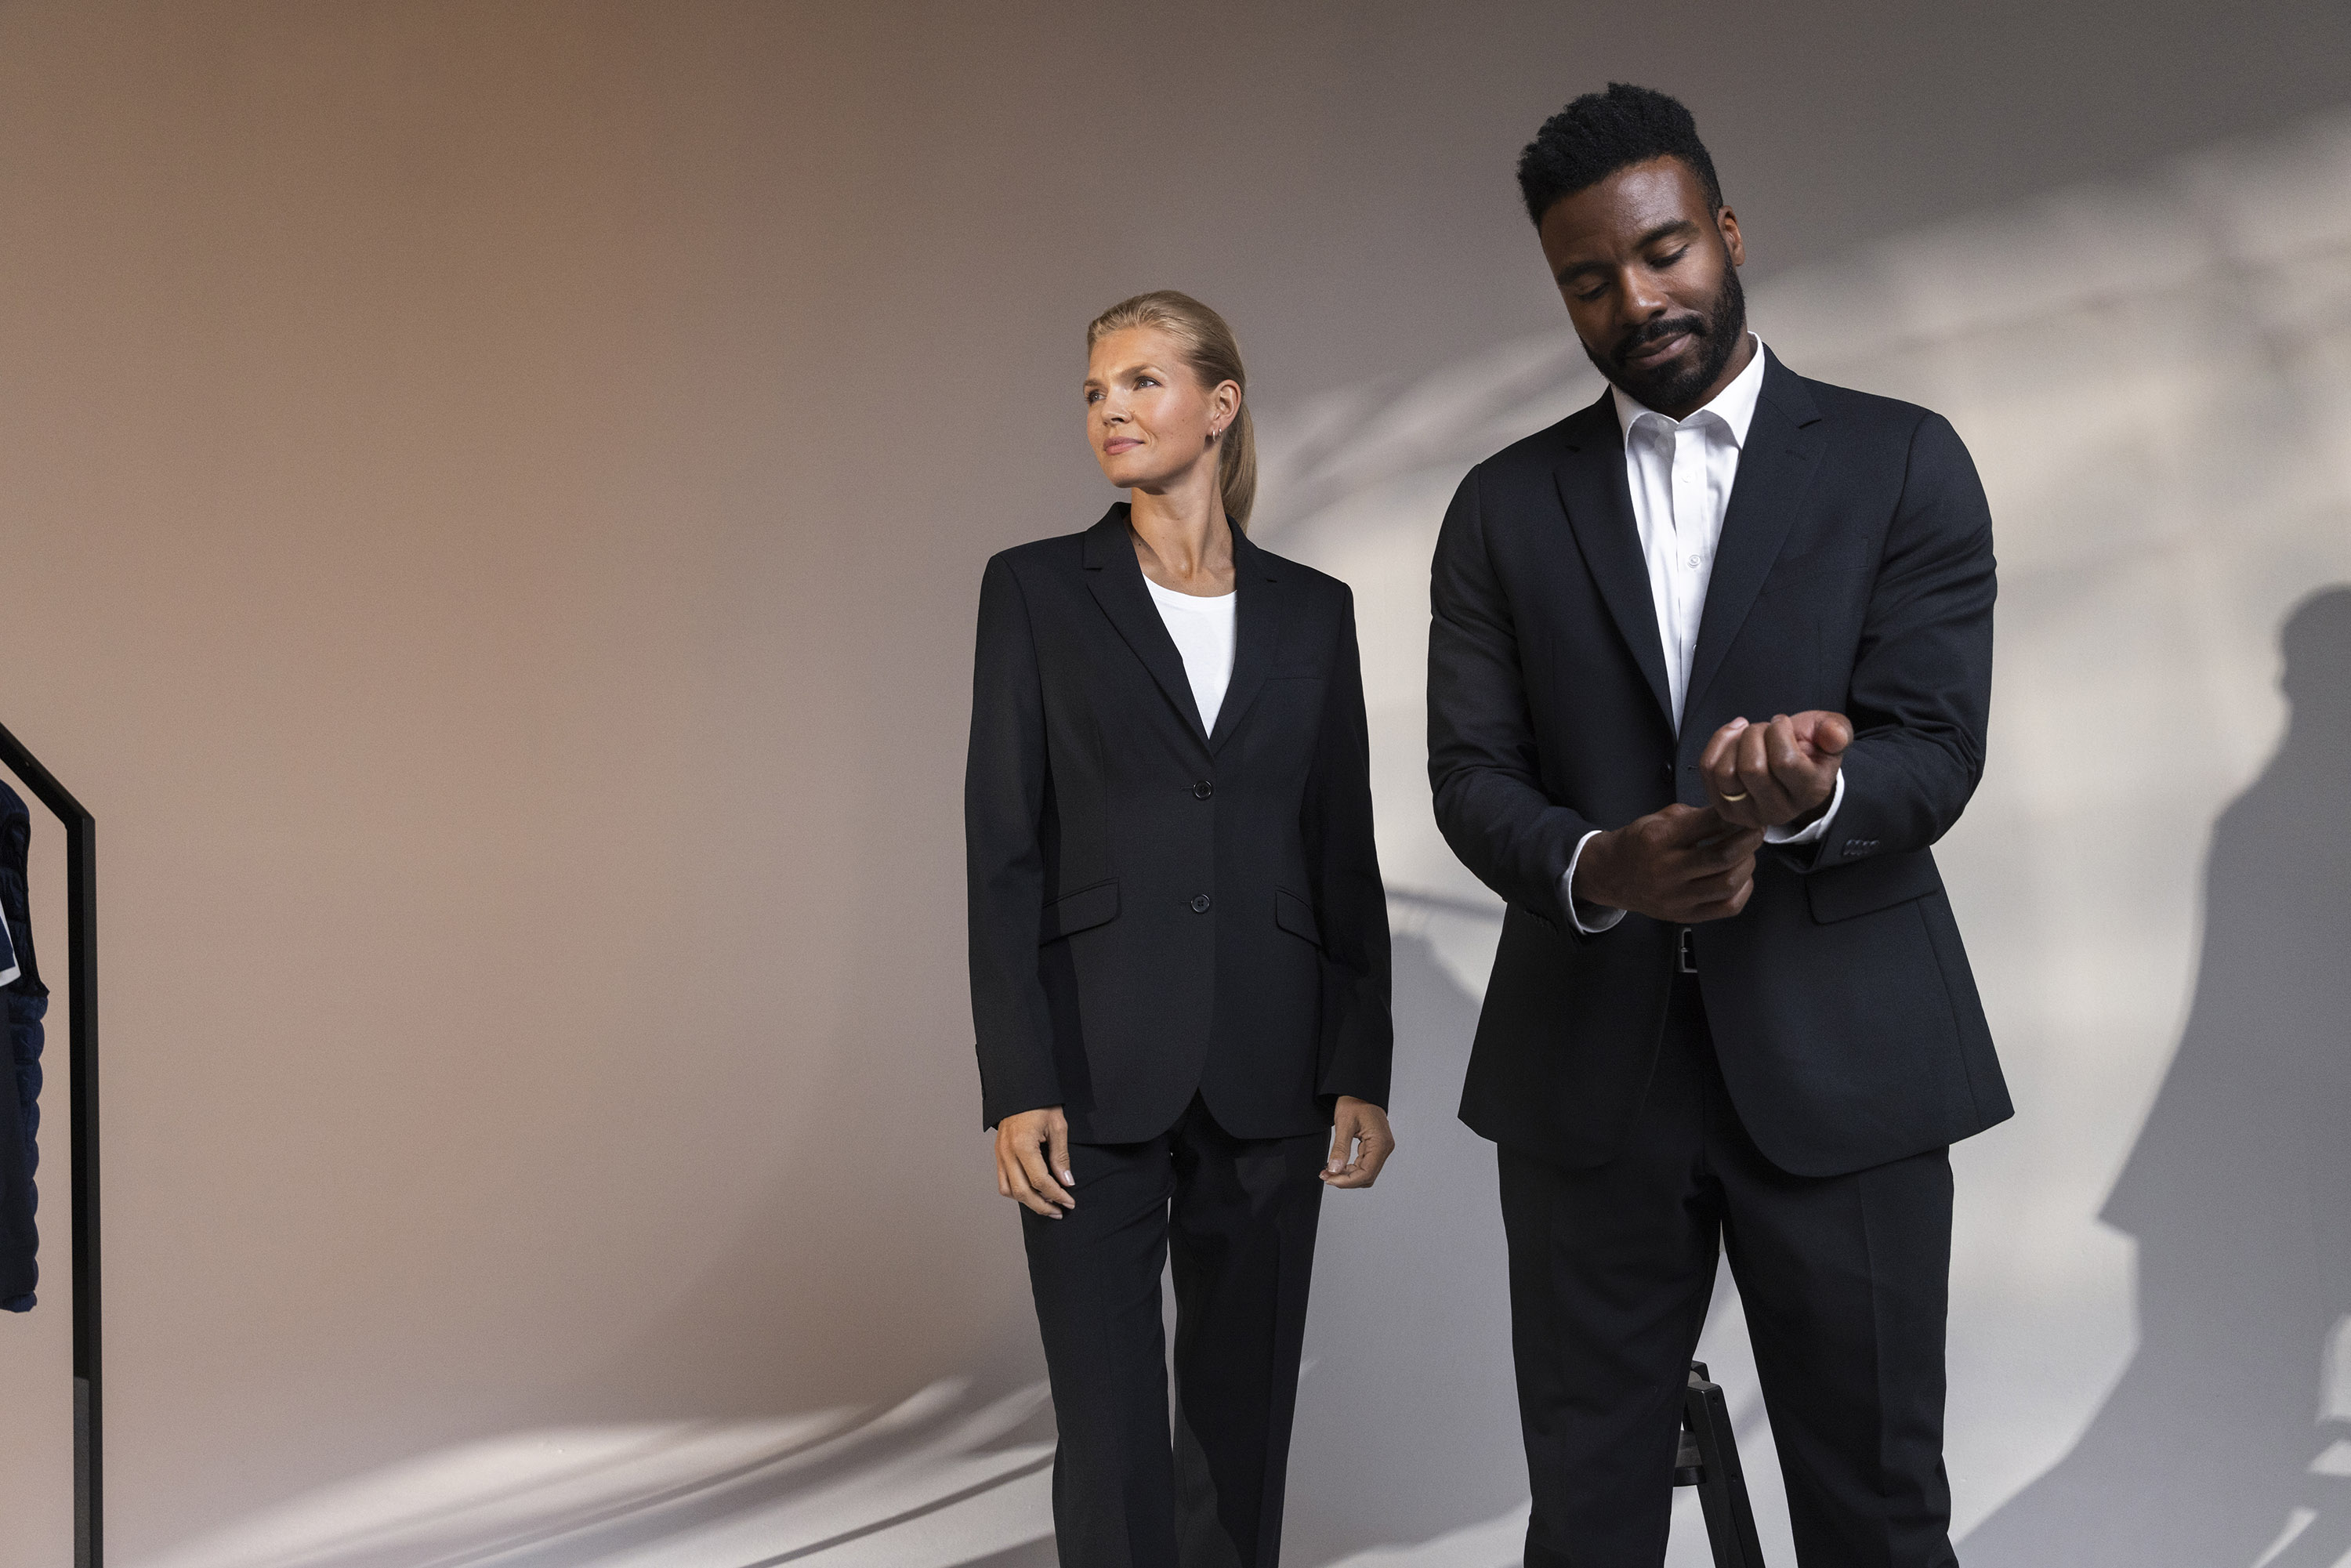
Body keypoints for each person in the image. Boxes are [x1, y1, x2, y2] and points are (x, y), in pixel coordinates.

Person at [1425, 85, 2011, 1567]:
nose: (1637, 300)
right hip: (1587, 1076)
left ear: (1728, 233)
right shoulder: (1501, 507)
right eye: (1588, 280)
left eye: (1664, 250)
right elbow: (1472, 774)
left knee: (1878, 1511)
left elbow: (1936, 748)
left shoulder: (1901, 459)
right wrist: (1600, 864)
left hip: (1849, 1056)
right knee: (1590, 1519)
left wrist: (1815, 797)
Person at [965, 289, 1395, 1566]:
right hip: (1091, 1064)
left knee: (1242, 1425)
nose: (1111, 409)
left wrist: (1359, 1061)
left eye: (1142, 382)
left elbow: (1343, 850)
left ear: (1220, 405)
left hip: (1273, 1059)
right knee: (1109, 1435)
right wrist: (1018, 1078)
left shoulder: (1313, 610)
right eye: (1096, 391)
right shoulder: (1036, 590)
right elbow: (1002, 850)